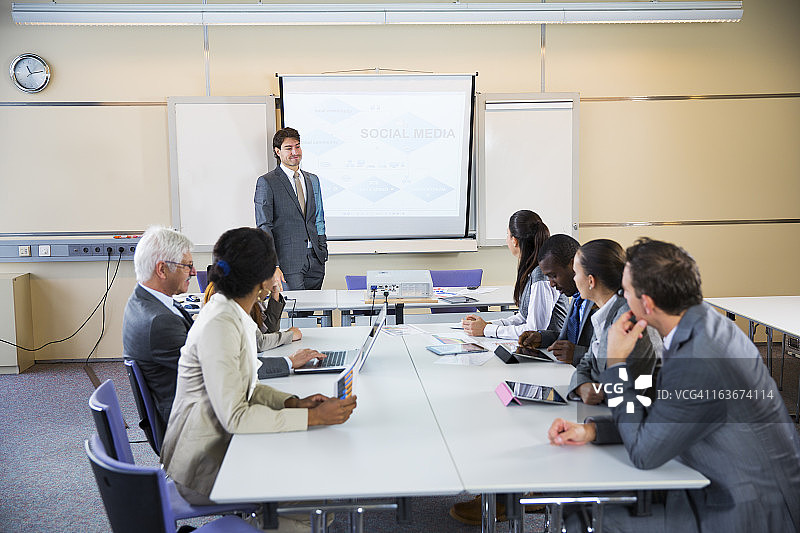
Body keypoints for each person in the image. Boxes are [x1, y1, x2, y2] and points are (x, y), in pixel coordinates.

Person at [548, 238, 800, 532]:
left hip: (744, 508)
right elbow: (663, 413)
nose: (621, 297)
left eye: (626, 291)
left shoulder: (700, 357)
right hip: (712, 475)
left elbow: (644, 453)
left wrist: (616, 365)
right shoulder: (700, 324)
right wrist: (592, 430)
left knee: (584, 517)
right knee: (584, 496)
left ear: (648, 304)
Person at [161, 227, 357, 510]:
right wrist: (312, 419)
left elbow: (246, 386)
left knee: (308, 467)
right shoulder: (220, 324)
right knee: (309, 486)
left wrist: (294, 403)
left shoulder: (230, 312)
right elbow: (236, 418)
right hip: (204, 468)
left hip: (221, 447)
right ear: (263, 282)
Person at [566, 239, 660, 404]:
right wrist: (581, 386)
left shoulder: (628, 318)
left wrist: (593, 388)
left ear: (590, 281)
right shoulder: (605, 310)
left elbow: (628, 386)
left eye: (576, 273)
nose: (573, 279)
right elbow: (586, 362)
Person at [122, 226, 197, 423]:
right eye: (187, 266)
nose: (194, 272)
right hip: (189, 422)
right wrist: (283, 363)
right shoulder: (160, 321)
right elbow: (213, 371)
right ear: (162, 269)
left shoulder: (141, 301)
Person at [461, 210, 567, 340]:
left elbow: (534, 330)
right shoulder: (531, 269)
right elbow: (523, 317)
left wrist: (487, 330)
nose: (506, 240)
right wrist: (487, 325)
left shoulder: (541, 274)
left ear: (515, 241)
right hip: (536, 346)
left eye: (507, 235)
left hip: (549, 350)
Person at [203, 280, 326, 379]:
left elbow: (269, 330)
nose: (273, 285)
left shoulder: (252, 298)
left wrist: (275, 295)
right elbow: (259, 342)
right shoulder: (234, 296)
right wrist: (289, 336)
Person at [255, 127, 327, 290]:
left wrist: (322, 250)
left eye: (297, 146)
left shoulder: (312, 180)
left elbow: (318, 218)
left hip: (315, 260)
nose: (295, 152)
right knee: (295, 312)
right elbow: (264, 227)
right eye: (288, 148)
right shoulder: (267, 182)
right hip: (287, 262)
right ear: (277, 151)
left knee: (312, 310)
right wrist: (273, 265)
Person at [518, 234, 595, 365]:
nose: (551, 284)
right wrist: (542, 337)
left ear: (573, 265)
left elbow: (612, 354)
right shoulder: (577, 298)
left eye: (554, 276)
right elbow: (572, 338)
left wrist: (577, 354)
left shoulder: (598, 302)